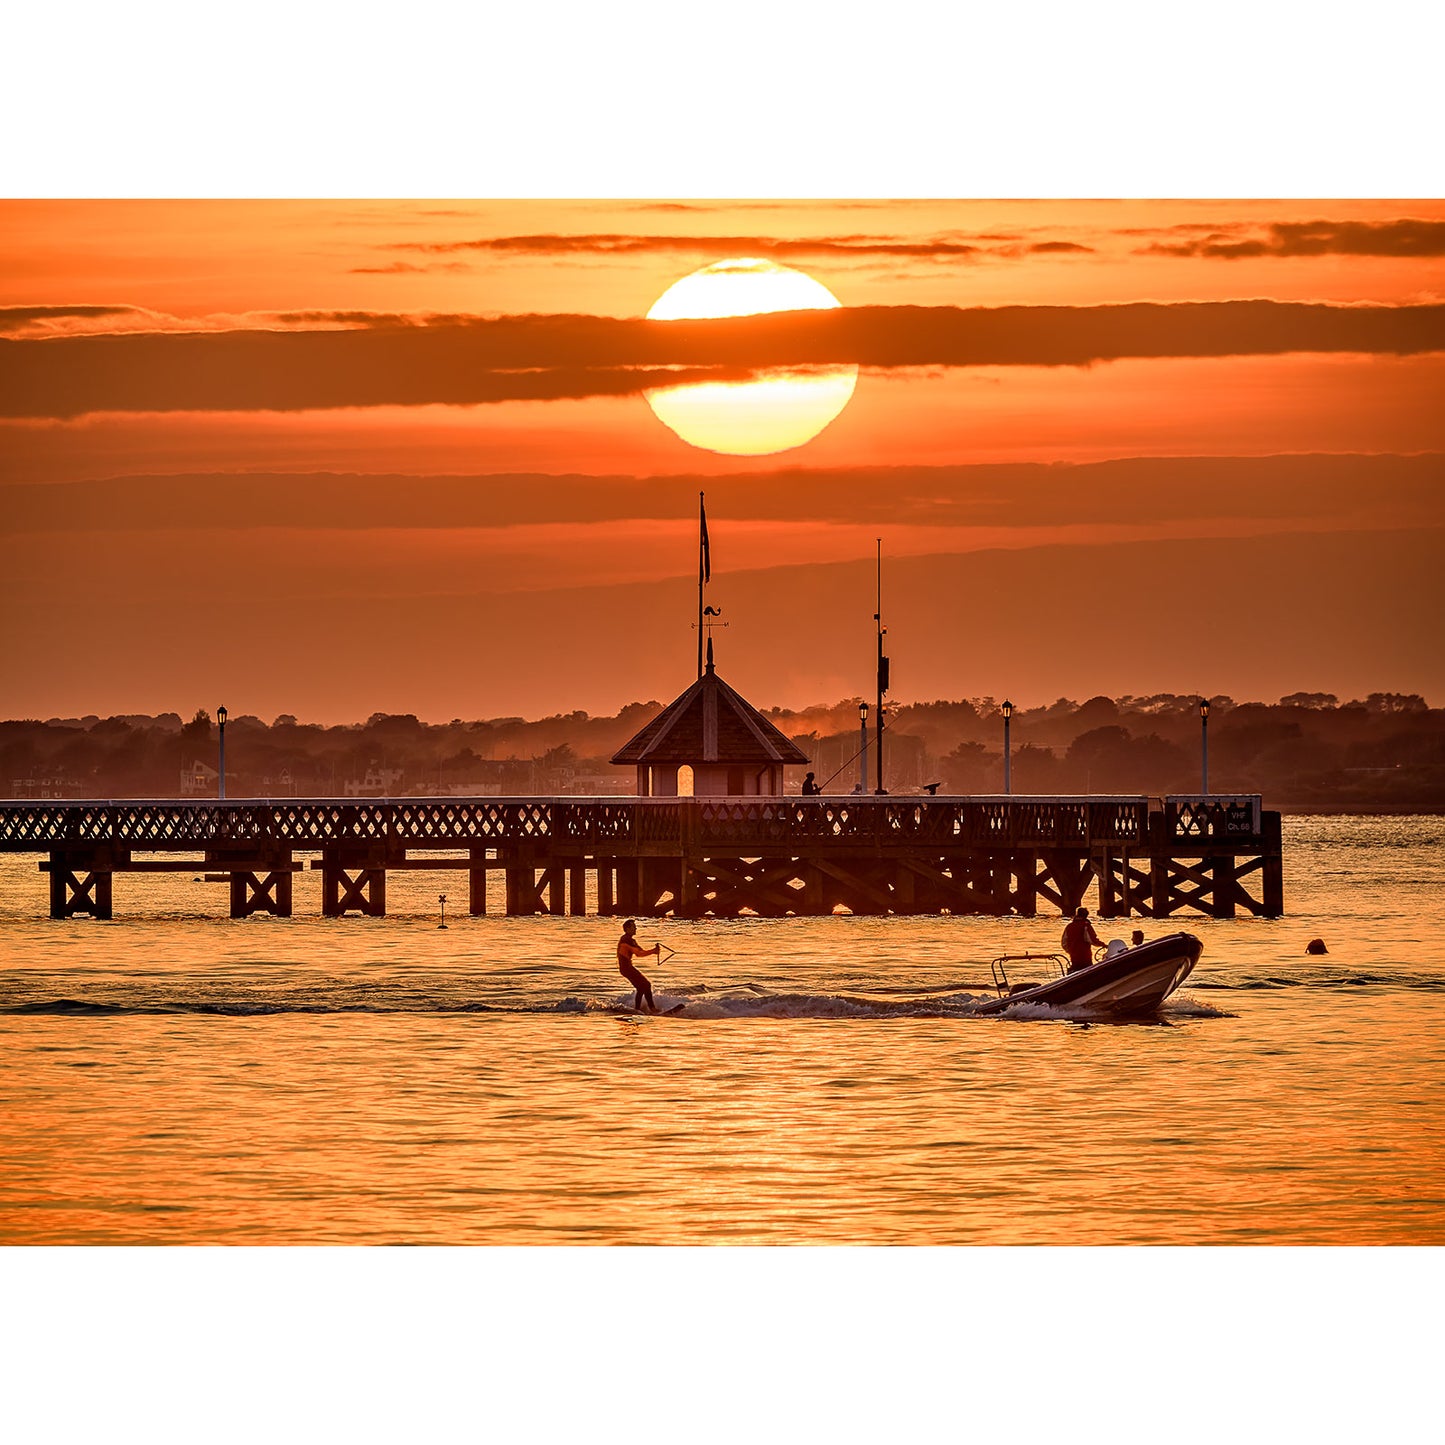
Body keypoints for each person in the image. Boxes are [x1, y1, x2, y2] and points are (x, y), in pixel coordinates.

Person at [616, 918, 660, 1012]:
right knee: (647, 985)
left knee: (641, 987)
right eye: (634, 927)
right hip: (626, 968)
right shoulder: (626, 940)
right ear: (627, 929)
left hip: (627, 968)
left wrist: (653, 950)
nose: (636, 929)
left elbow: (641, 951)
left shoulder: (631, 940)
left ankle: (637, 1009)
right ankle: (652, 1008)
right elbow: (639, 954)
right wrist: (653, 951)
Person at [1061, 906, 1103, 973]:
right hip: (1085, 957)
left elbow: (1064, 943)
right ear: (1086, 916)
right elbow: (1092, 940)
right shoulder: (1085, 925)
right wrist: (1103, 945)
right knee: (1087, 972)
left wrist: (1070, 951)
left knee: (1075, 971)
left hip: (1074, 956)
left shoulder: (1069, 926)